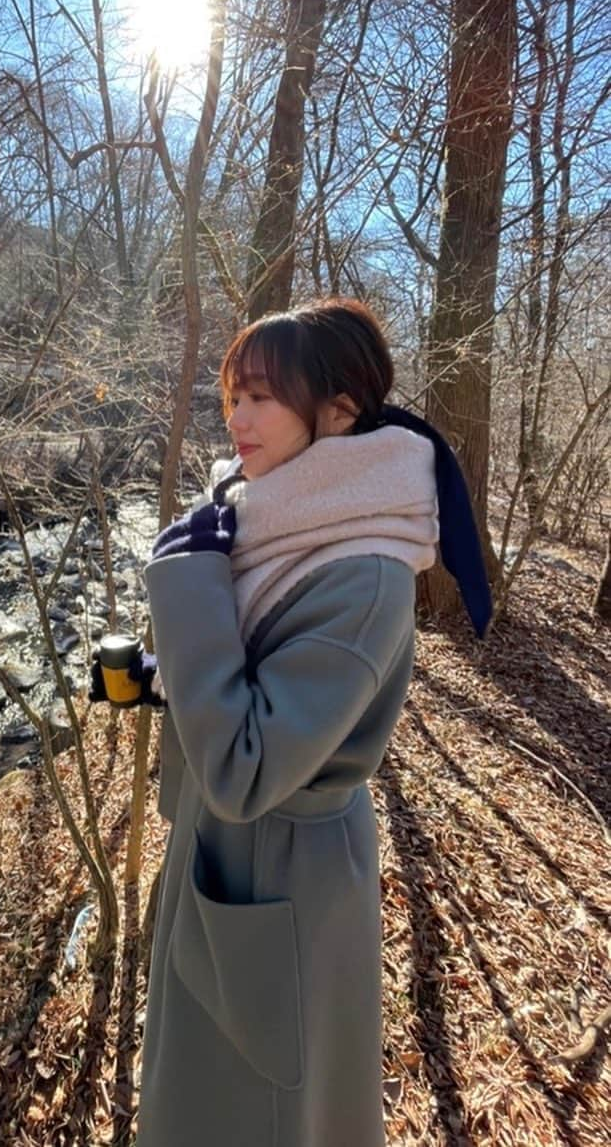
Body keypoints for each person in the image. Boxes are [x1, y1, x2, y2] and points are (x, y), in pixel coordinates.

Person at [134, 298, 491, 1147]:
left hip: (279, 874)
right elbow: (252, 679)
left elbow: (246, 767)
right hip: (235, 860)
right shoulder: (286, 521)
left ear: (338, 410)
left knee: (252, 1115)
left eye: (261, 396)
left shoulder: (360, 574)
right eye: (232, 395)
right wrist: (162, 679)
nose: (236, 417)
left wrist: (183, 583)